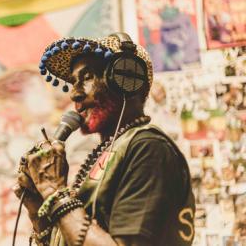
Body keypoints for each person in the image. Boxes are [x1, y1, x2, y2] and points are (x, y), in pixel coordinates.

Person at [14, 33, 195, 246]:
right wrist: (38, 212)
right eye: (74, 82)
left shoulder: (149, 148)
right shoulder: (111, 152)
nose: (74, 94)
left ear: (125, 80)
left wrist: (55, 192)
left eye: (87, 77)